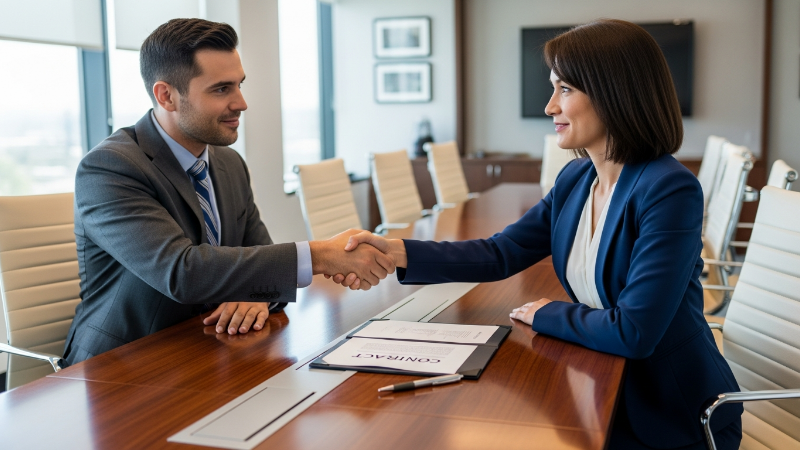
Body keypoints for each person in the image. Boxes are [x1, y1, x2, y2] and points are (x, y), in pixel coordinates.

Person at [334, 19, 742, 450]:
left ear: (614, 93)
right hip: (601, 385)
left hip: (668, 416)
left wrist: (544, 313)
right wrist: (399, 252)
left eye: (564, 90)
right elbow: (502, 252)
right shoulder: (576, 178)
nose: (550, 107)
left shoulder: (668, 188)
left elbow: (634, 332)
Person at [63, 18, 394, 366]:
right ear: (167, 96)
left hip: (208, 349)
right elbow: (181, 272)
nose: (241, 103)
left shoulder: (228, 163)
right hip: (124, 365)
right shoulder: (110, 167)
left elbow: (260, 256)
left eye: (239, 85)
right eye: (222, 89)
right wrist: (320, 255)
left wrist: (258, 295)